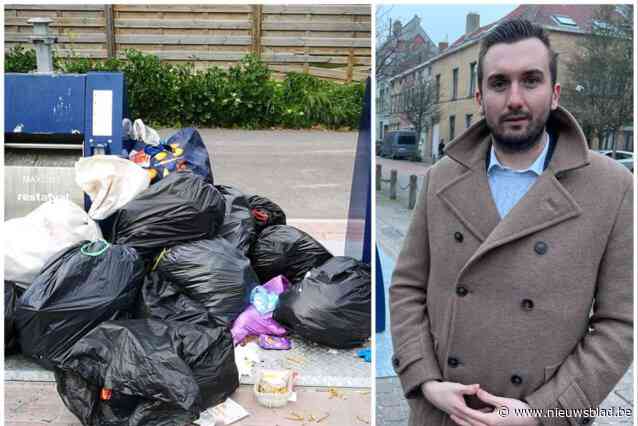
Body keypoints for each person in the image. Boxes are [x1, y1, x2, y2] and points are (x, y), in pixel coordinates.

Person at [389, 19, 633, 426]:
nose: (515, 99)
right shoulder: (441, 178)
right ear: (480, 95)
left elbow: (619, 325)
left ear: (554, 94)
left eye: (531, 81)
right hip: (444, 412)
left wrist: (542, 413)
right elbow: (407, 289)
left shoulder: (612, 188)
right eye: (500, 84)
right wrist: (426, 381)